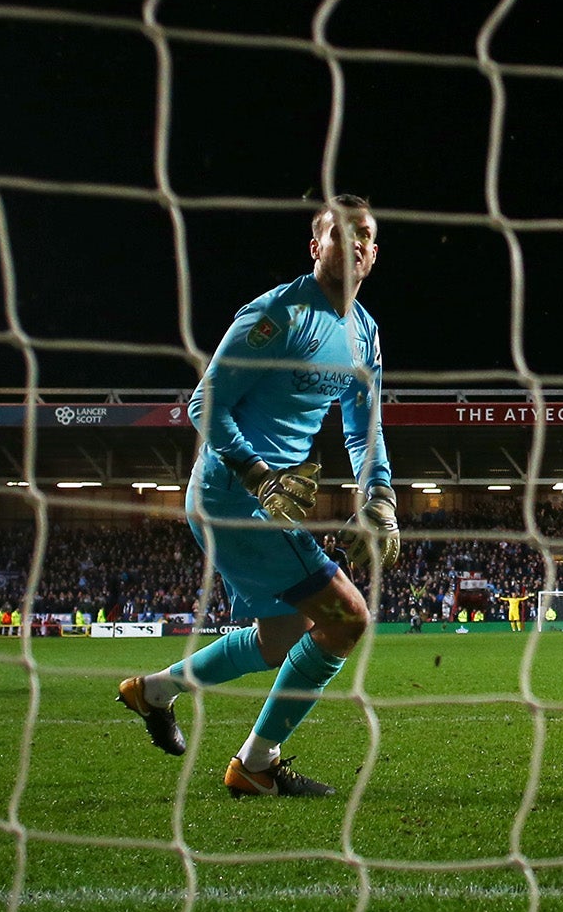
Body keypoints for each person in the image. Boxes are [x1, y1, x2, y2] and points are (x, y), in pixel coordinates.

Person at [117, 194, 398, 799]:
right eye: (341, 232)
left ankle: (156, 691)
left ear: (374, 252)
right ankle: (256, 764)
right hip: (233, 495)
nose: (355, 243)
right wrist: (256, 473)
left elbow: (364, 427)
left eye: (366, 235)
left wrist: (380, 497)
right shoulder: (277, 316)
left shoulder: (365, 333)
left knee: (280, 639)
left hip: (262, 500)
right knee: (346, 618)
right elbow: (204, 403)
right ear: (315, 245)